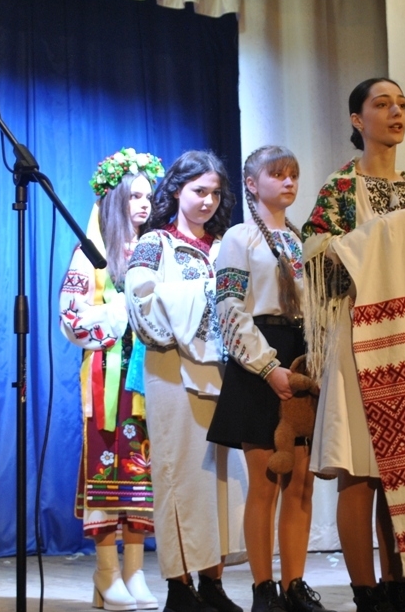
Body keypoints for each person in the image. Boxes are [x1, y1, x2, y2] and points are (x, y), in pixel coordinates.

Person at [300, 78, 405, 612]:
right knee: (360, 471)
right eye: (382, 104)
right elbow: (314, 251)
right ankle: (365, 593)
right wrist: (376, 238)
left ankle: (399, 585)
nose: (396, 113)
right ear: (358, 119)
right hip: (359, 339)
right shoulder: (340, 188)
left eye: (401, 104)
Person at [207, 146, 329, 612]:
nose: (289, 182)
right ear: (252, 184)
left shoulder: (304, 240)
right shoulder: (239, 238)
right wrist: (266, 366)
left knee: (301, 481)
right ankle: (263, 588)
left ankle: (295, 585)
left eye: (293, 174)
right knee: (266, 482)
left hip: (300, 358)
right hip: (260, 357)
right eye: (277, 174)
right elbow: (229, 308)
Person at [125, 150, 247, 612]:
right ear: (177, 190)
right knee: (179, 475)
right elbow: (141, 306)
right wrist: (206, 293)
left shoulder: (224, 247)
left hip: (223, 373)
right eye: (199, 191)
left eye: (215, 193)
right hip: (172, 371)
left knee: (219, 477)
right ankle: (179, 586)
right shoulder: (155, 244)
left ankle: (212, 582)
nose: (208, 201)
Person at [60, 148, 165, 611]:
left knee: (142, 470)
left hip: (147, 379)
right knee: (107, 467)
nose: (143, 204)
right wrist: (119, 311)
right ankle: (106, 573)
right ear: (115, 199)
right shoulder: (92, 254)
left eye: (148, 196)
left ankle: (135, 572)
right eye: (134, 196)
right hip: (108, 379)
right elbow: (70, 317)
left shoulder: (154, 250)